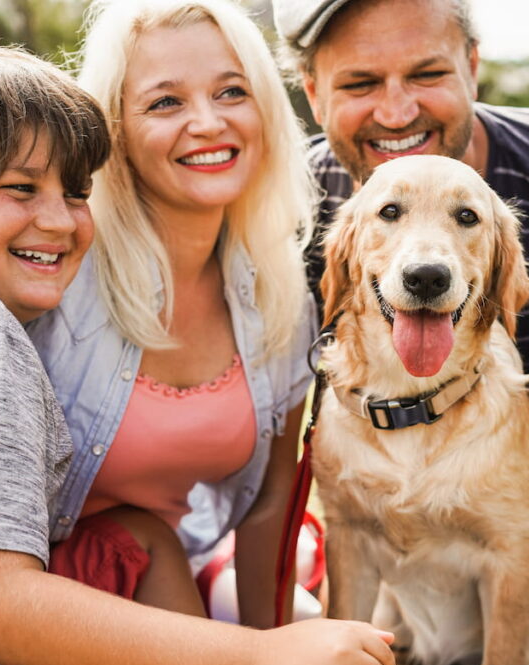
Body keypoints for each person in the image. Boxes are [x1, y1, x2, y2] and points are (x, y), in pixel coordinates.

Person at [0, 40, 395, 665]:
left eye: (75, 193)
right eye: (18, 188)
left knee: (138, 535)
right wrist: (259, 659)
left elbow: (263, 502)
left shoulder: (274, 290)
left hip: (144, 557)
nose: (61, 220)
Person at [26, 0, 318, 628]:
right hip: (43, 591)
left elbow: (271, 501)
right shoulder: (53, 270)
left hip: (176, 573)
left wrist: (274, 653)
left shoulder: (281, 290)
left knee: (320, 633)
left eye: (231, 92)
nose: (208, 123)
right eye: (166, 103)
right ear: (114, 127)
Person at [274, 0, 529, 379]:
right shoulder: (283, 204)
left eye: (427, 75)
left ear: (471, 70)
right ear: (314, 95)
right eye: (360, 84)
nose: (396, 114)